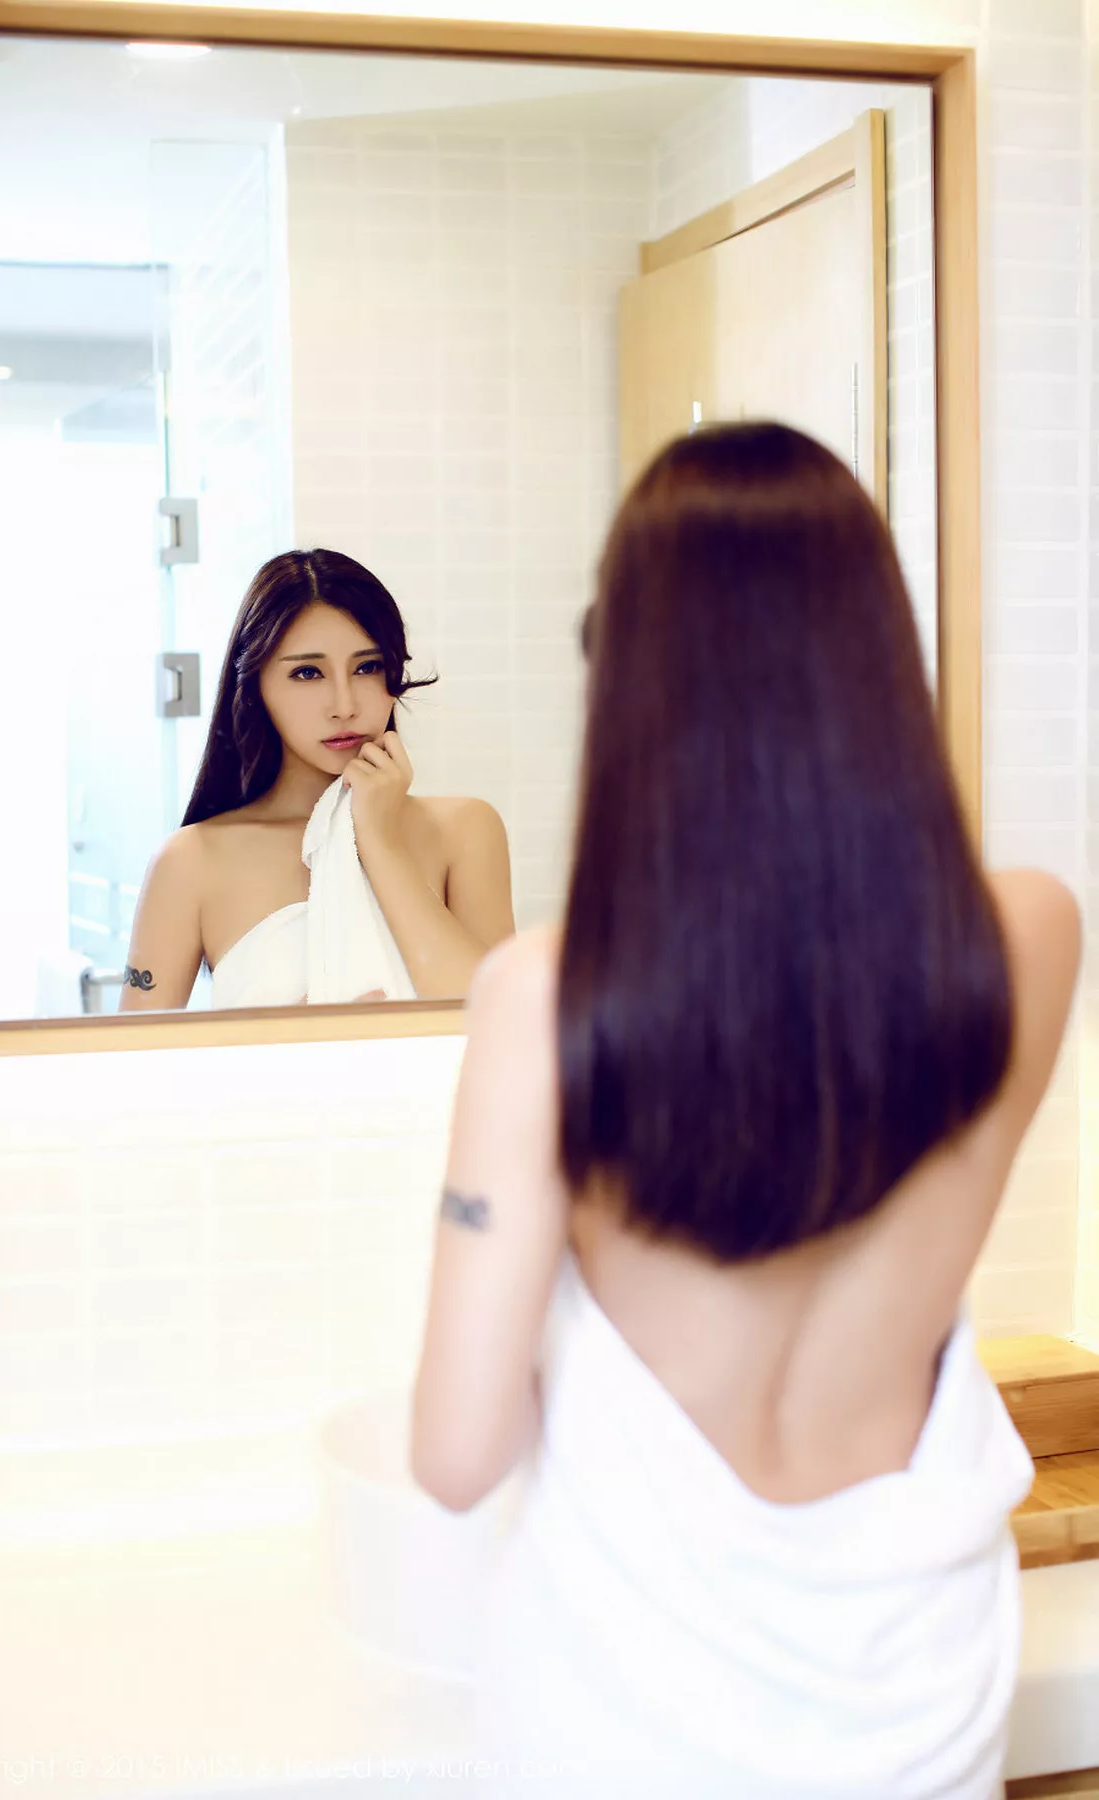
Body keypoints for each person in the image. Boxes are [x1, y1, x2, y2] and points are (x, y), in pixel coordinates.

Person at [411, 423, 1080, 1799]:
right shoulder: (1029, 938)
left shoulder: (548, 996)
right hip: (916, 1714)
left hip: (630, 1739)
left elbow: (458, 1457)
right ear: (879, 657)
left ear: (629, 678)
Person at [119, 549, 514, 1010]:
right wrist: (294, 1040)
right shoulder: (190, 861)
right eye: (307, 673)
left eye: (367, 667)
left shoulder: (465, 830)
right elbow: (134, 1052)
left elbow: (500, 1019)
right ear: (256, 686)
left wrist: (380, 841)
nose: (344, 705)